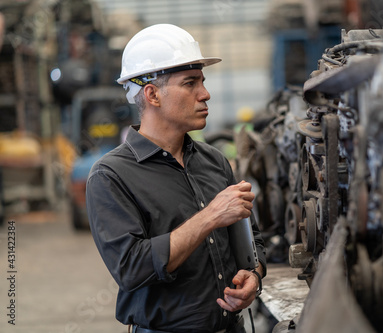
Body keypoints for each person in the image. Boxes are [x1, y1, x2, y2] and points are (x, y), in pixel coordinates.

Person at [86, 24, 266, 333]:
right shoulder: (111, 176)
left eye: (203, 82)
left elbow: (252, 241)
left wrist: (254, 275)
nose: (205, 94)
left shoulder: (214, 161)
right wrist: (209, 216)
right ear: (152, 94)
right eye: (190, 83)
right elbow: (132, 268)